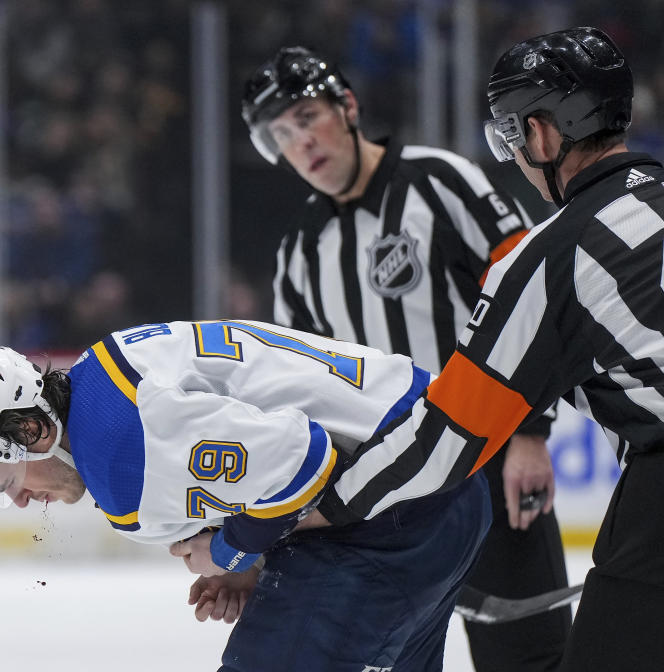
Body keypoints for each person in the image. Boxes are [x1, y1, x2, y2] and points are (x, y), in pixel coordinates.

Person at [313, 26, 664, 671]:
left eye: (511, 135)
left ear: (541, 133)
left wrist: (321, 507)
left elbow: (448, 435)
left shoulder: (551, 253)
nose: (512, 156)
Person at [241, 45, 570, 670]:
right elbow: (296, 387)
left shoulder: (439, 182)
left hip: (488, 462)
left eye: (307, 117)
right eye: (281, 135)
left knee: (530, 656)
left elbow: (527, 298)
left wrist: (531, 434)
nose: (300, 142)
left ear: (348, 107)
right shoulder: (299, 253)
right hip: (382, 494)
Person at [0, 320, 491, 672]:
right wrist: (249, 558)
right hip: (433, 473)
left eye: (8, 481)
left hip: (408, 508)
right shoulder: (103, 365)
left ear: (31, 430)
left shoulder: (124, 460)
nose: (22, 502)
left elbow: (303, 456)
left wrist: (229, 553)